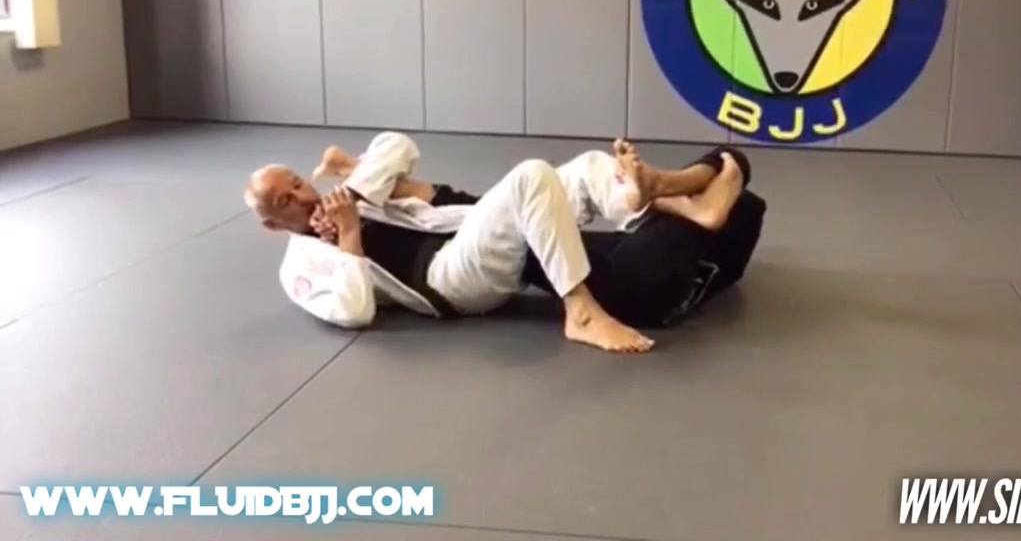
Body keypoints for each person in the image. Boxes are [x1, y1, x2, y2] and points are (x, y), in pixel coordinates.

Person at [243, 133, 765, 354]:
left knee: (586, 166)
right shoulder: (299, 268)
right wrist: (350, 236)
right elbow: (355, 311)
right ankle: (581, 311)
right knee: (531, 175)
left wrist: (355, 191)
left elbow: (397, 147)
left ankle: (670, 200)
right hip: (447, 279)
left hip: (466, 233)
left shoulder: (352, 198)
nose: (300, 196)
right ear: (271, 224)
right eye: (283, 201)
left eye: (297, 183)